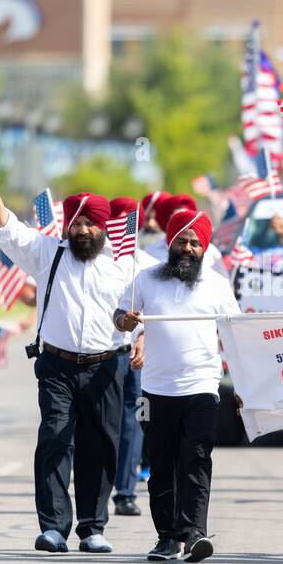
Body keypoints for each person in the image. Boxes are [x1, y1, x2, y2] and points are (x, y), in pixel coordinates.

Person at [0, 168, 131, 554]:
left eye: (90, 223)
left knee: (100, 445)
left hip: (105, 367)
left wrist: (140, 336)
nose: (82, 230)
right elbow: (11, 232)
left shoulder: (123, 266)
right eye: (76, 222)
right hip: (57, 366)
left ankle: (93, 527)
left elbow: (143, 309)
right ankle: (53, 527)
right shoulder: (49, 253)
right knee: (54, 439)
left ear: (103, 228)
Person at [115, 209, 240, 563]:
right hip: (155, 391)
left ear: (204, 248)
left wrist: (245, 383)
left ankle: (195, 533)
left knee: (197, 458)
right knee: (163, 464)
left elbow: (234, 333)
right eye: (181, 241)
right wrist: (126, 320)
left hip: (202, 385)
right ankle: (167, 537)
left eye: (195, 243)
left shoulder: (216, 284)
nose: (187, 248)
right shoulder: (146, 279)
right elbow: (121, 316)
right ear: (171, 243)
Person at [107, 196, 157, 517]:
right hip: (100, 356)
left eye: (130, 222)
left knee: (135, 421)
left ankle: (125, 491)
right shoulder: (95, 262)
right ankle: (98, 486)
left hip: (135, 360)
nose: (125, 228)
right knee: (102, 424)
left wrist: (143, 339)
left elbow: (157, 312)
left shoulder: (150, 266)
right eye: (119, 221)